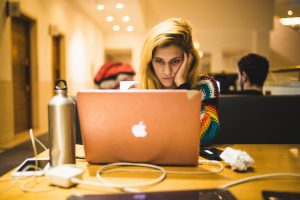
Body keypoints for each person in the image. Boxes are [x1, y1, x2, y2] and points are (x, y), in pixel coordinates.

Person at [133, 18, 219, 146]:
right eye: (159, 61)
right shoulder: (136, 91)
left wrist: (183, 86)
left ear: (188, 59)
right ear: (150, 62)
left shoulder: (205, 86)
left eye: (175, 61)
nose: (167, 71)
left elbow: (205, 135)